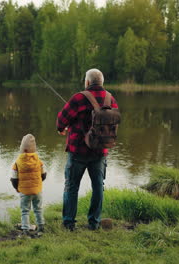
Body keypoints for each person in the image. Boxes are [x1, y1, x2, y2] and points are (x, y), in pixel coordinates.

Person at [56, 68, 119, 231]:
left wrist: (61, 128)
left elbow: (62, 118)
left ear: (87, 82)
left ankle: (69, 223)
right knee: (98, 186)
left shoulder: (79, 98)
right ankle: (94, 222)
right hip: (100, 151)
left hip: (78, 151)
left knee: (72, 186)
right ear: (102, 82)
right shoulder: (110, 98)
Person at [10, 134, 47, 234]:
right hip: (37, 190)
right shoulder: (39, 161)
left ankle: (26, 230)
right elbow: (43, 175)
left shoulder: (17, 163)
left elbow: (14, 179)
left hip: (24, 191)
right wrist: (38, 184)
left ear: (22, 148)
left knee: (25, 211)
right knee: (38, 209)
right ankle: (41, 227)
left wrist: (16, 188)